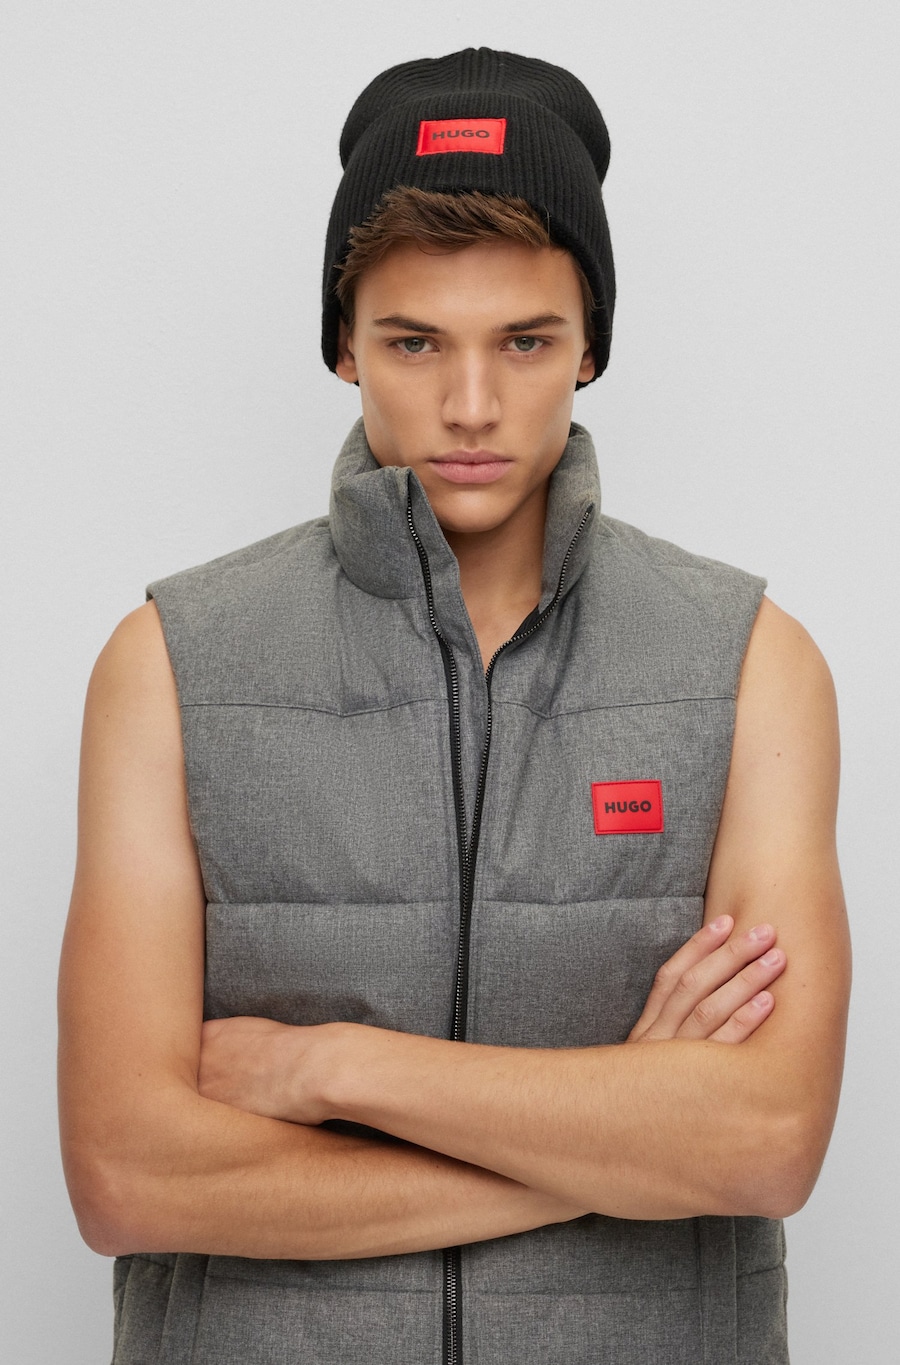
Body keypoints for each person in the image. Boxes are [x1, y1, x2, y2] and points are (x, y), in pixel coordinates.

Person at [58, 47, 850, 1365]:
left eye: (525, 341)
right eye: (414, 342)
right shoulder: (168, 666)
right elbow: (129, 1173)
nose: (471, 406)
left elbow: (765, 1141)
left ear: (590, 345)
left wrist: (332, 1069)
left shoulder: (752, 663)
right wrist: (628, 1142)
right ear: (343, 346)